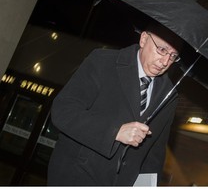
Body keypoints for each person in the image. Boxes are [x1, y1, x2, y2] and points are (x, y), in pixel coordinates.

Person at [47, 24, 183, 186]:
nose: (165, 61)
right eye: (162, 50)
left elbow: (155, 154)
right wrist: (114, 132)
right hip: (75, 177)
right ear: (144, 39)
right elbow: (63, 111)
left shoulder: (169, 95)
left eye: (173, 56)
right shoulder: (103, 61)